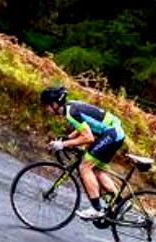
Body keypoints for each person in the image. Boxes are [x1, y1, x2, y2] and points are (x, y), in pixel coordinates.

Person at [39, 84, 127, 220]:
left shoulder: (70, 113)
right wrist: (68, 139)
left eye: (47, 105)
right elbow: (83, 126)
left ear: (55, 104)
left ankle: (96, 209)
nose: (46, 109)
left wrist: (63, 144)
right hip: (115, 133)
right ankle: (120, 203)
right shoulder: (71, 106)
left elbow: (88, 137)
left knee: (84, 166)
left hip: (111, 134)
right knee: (96, 170)